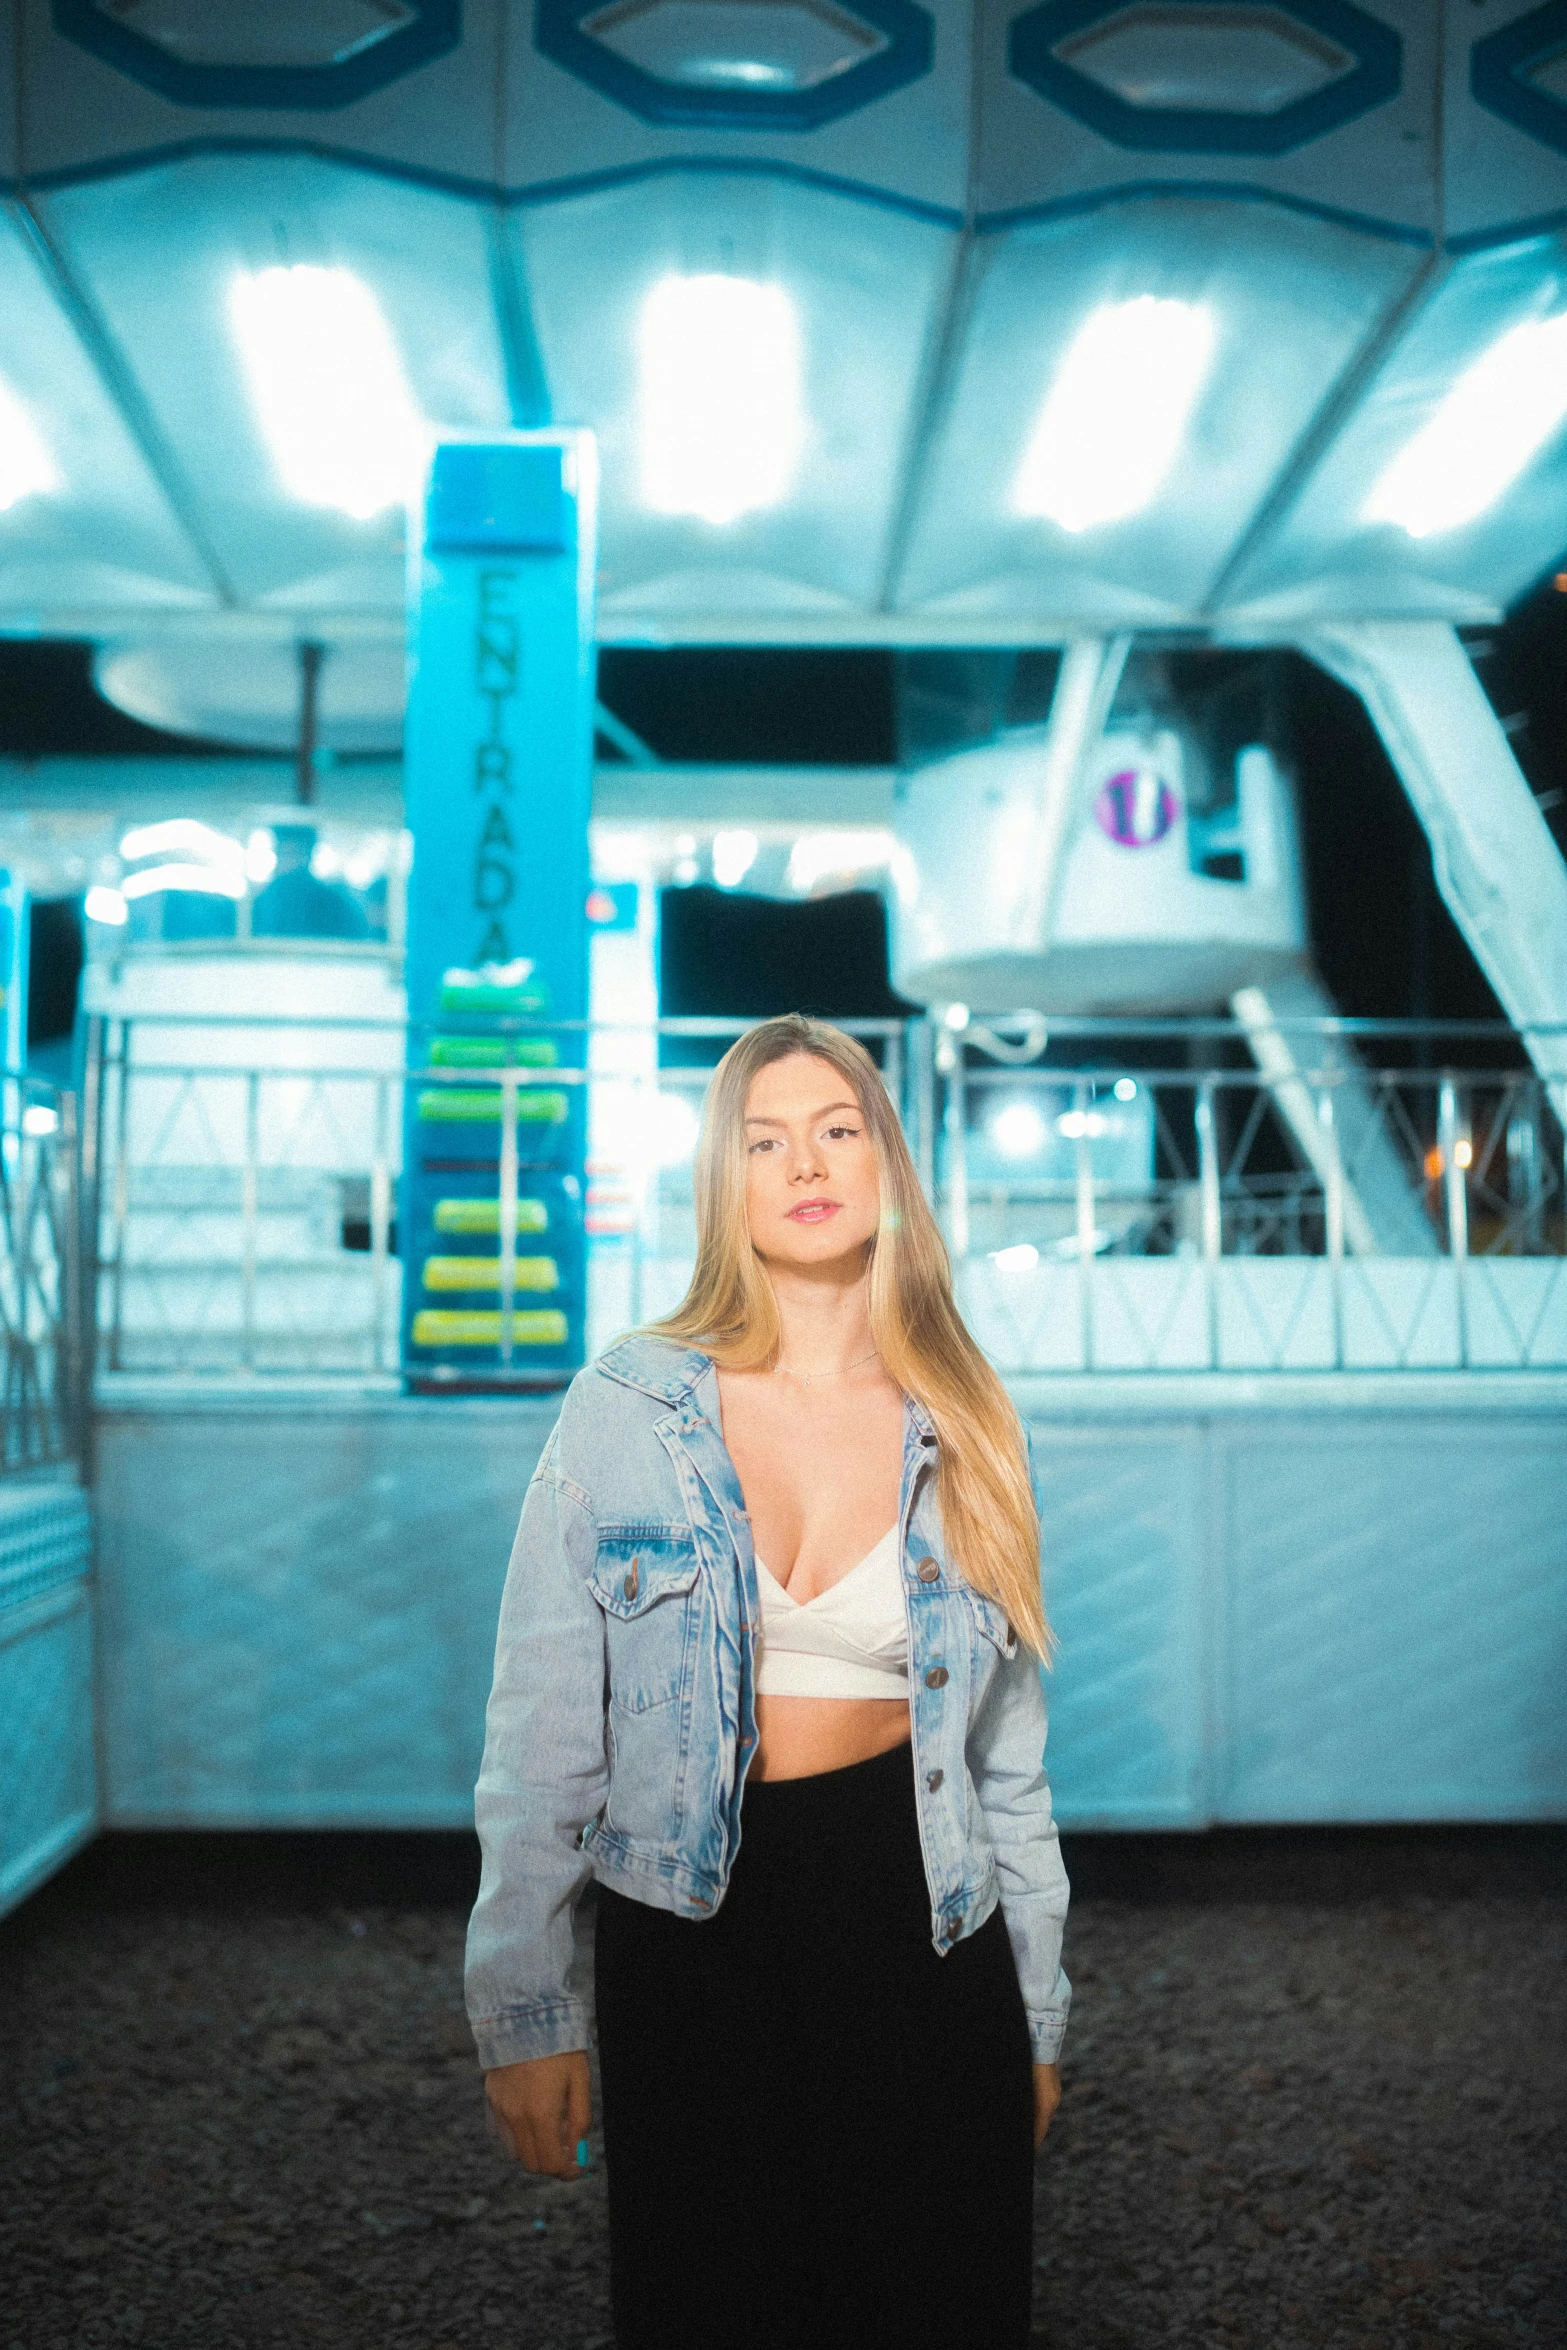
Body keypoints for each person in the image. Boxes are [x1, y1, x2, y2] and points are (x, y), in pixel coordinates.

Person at [466, 1014, 1070, 2350]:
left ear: (886, 1165)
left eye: (837, 1129)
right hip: (690, 1940)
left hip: (925, 1932)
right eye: (763, 1138)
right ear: (722, 1181)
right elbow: (542, 1733)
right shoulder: (625, 1407)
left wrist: (1034, 2012)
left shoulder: (965, 1418)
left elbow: (1006, 1767)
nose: (804, 1160)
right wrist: (522, 2005)